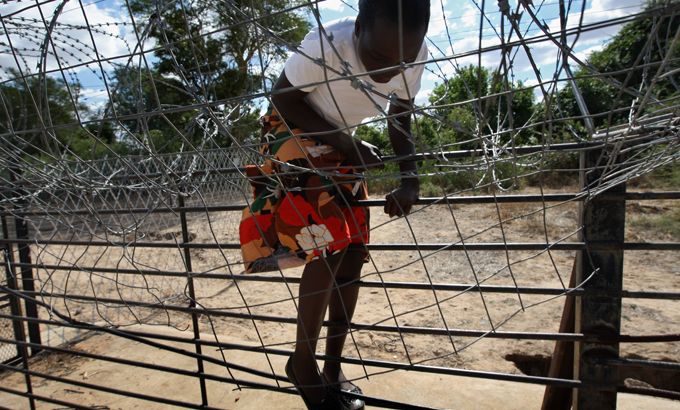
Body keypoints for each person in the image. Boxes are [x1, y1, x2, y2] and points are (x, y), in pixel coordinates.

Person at [239, 1, 430, 408]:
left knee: (354, 251)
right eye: (377, 57)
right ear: (358, 27)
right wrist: (347, 143)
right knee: (331, 239)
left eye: (402, 61)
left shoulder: (413, 52)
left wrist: (409, 180)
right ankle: (302, 364)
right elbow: (283, 98)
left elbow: (400, 118)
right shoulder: (328, 43)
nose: (388, 72)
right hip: (290, 126)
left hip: (340, 141)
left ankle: (333, 366)